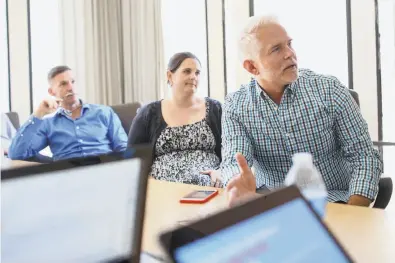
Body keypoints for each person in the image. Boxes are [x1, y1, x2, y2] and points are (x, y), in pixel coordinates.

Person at [220, 15, 383, 207]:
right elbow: (235, 163)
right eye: (276, 49)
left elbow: (364, 156)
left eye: (289, 44)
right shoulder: (235, 105)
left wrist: (353, 212)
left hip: (335, 202)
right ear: (252, 66)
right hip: (276, 206)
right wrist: (237, 184)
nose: (290, 53)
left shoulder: (329, 89)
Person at [128, 52, 222, 187]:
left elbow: (232, 152)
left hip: (209, 187)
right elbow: (133, 160)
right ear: (169, 76)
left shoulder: (215, 109)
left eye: (197, 73)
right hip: (164, 190)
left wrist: (221, 171)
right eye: (187, 71)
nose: (193, 77)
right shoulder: (149, 113)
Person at [8, 65, 127, 161]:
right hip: (68, 180)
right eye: (63, 84)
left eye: (73, 82)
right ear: (52, 92)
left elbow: (124, 148)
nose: (71, 87)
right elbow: (16, 154)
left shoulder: (103, 112)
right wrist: (38, 115)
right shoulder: (48, 123)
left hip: (104, 172)